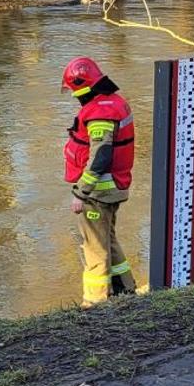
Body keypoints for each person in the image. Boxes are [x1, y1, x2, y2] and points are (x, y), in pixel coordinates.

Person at [61, 57, 139, 304]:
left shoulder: (100, 111)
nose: (74, 97)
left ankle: (94, 303)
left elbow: (101, 154)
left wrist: (81, 193)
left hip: (98, 192)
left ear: (82, 87)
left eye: (74, 91)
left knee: (94, 247)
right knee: (108, 239)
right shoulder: (113, 102)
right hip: (113, 187)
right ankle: (125, 291)